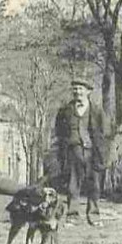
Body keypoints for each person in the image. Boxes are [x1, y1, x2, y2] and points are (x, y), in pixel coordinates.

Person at [48, 71, 107, 226]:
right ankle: (73, 216)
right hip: (72, 153)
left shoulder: (97, 110)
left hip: (92, 152)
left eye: (81, 89)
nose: (78, 92)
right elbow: (59, 133)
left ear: (88, 91)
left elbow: (102, 133)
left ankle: (94, 215)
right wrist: (60, 155)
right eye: (75, 89)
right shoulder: (65, 111)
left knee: (94, 185)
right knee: (73, 185)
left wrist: (102, 155)